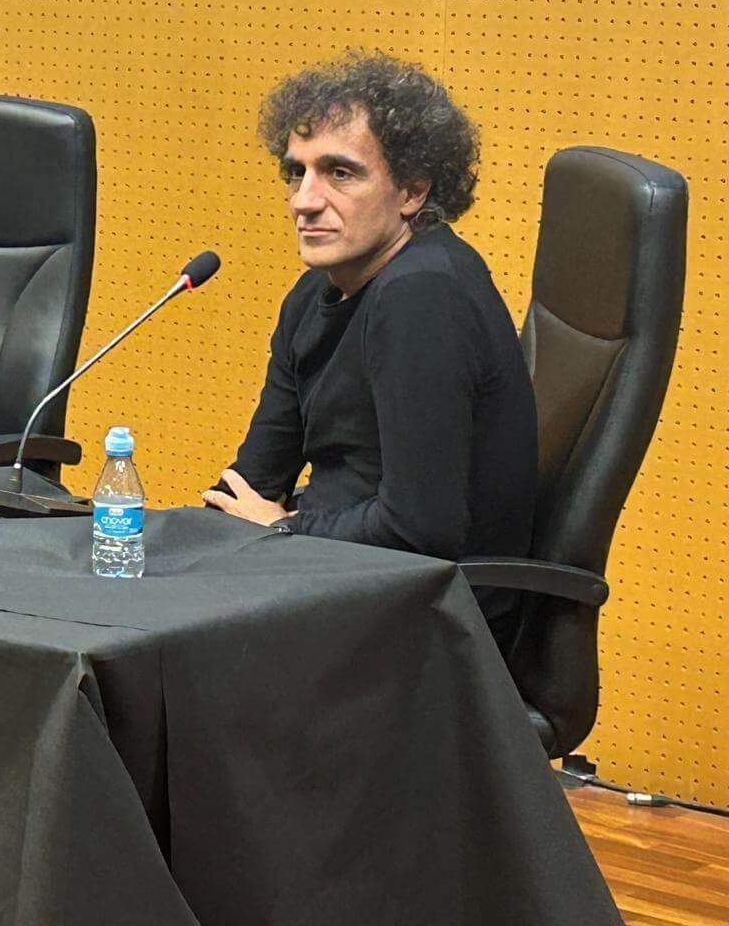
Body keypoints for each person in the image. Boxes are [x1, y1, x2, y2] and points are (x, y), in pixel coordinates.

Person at [202, 51, 537, 642]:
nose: (304, 201)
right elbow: (255, 480)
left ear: (412, 190)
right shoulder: (315, 292)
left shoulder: (424, 297)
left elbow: (419, 530)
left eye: (339, 173)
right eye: (297, 173)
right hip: (333, 576)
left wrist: (282, 531)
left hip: (424, 622)